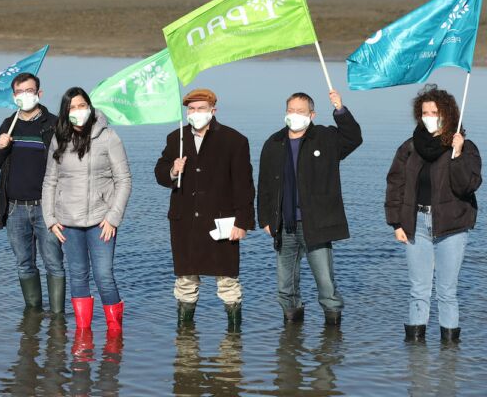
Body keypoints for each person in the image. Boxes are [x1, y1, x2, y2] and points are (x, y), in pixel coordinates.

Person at [385, 84, 481, 343]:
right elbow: (396, 184)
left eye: (434, 111)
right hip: (415, 224)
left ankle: (449, 354)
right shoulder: (409, 147)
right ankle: (415, 353)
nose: (429, 116)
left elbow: (467, 186)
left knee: (447, 291)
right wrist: (396, 223)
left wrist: (457, 154)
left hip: (452, 227)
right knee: (419, 290)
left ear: (447, 114)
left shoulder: (465, 147)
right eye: (424, 112)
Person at [258, 90, 362, 327]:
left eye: (300, 111)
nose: (294, 115)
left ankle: (332, 334)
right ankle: (291, 333)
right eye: (291, 110)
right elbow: (264, 184)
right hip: (284, 224)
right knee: (285, 285)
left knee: (325, 282)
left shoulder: (325, 137)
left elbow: (353, 138)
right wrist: (265, 218)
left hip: (317, 223)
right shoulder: (274, 142)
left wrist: (341, 111)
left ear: (312, 115)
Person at [154, 89, 255, 331]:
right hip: (185, 222)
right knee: (186, 282)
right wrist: (172, 170)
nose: (195, 113)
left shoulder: (235, 140)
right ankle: (186, 347)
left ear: (213, 110)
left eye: (201, 108)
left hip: (222, 222)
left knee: (228, 282)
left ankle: (232, 346)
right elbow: (160, 172)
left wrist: (243, 222)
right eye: (191, 109)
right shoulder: (175, 138)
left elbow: (244, 185)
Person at [42, 87, 132, 335]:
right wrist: (50, 219)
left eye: (82, 106)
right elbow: (50, 181)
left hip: (101, 222)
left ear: (90, 107)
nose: (78, 111)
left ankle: (114, 335)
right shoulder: (58, 138)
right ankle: (83, 336)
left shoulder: (109, 137)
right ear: (65, 112)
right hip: (68, 222)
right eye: (72, 107)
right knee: (78, 276)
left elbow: (123, 180)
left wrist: (113, 217)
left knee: (104, 276)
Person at [0, 72, 65, 314]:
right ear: (13, 96)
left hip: (46, 207)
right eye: (20, 92)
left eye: (30, 91)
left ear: (39, 93)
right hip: (14, 207)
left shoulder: (53, 124)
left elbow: (66, 163)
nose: (25, 96)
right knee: (24, 264)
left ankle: (57, 318)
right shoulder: (8, 124)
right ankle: (32, 317)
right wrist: (0, 147)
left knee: (54, 263)